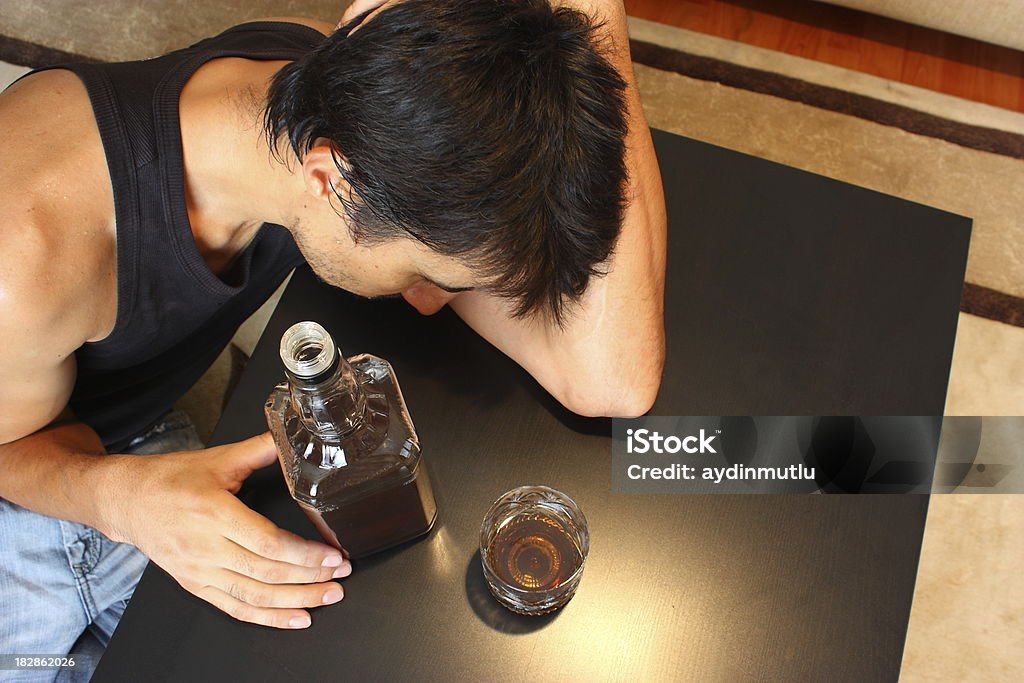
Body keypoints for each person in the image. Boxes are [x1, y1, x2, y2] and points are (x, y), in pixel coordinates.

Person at [0, 0, 665, 670]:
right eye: (429, 273)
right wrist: (121, 495)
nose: (428, 300)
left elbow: (610, 377)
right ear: (330, 181)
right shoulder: (25, 257)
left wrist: (578, 46)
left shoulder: (349, 82)